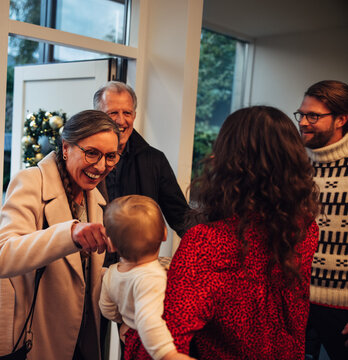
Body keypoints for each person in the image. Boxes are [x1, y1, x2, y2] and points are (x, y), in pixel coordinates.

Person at [124, 106, 320, 359]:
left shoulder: (209, 241)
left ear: (229, 162)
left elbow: (165, 342)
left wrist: (133, 327)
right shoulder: (304, 230)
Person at [0, 110, 119, 360]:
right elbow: (1, 258)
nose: (101, 166)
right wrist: (70, 234)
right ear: (66, 148)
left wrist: (131, 277)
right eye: (92, 153)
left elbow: (81, 276)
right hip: (30, 340)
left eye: (110, 156)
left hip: (77, 340)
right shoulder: (31, 183)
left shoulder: (96, 200)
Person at [100, 195, 194, 360]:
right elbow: (148, 320)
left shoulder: (111, 273)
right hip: (153, 346)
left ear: (112, 245)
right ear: (165, 234)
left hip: (131, 338)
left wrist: (126, 321)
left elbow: (106, 308)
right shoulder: (151, 277)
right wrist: (169, 354)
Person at [93, 81, 190, 238]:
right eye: (113, 113)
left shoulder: (155, 161)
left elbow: (181, 217)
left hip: (137, 259)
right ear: (97, 115)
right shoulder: (83, 159)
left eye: (127, 113)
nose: (120, 120)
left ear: (135, 116)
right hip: (91, 258)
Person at [295, 80, 348, 360]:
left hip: (341, 310)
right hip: (295, 301)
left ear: (341, 119)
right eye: (301, 114)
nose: (303, 122)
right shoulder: (296, 165)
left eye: (313, 116)